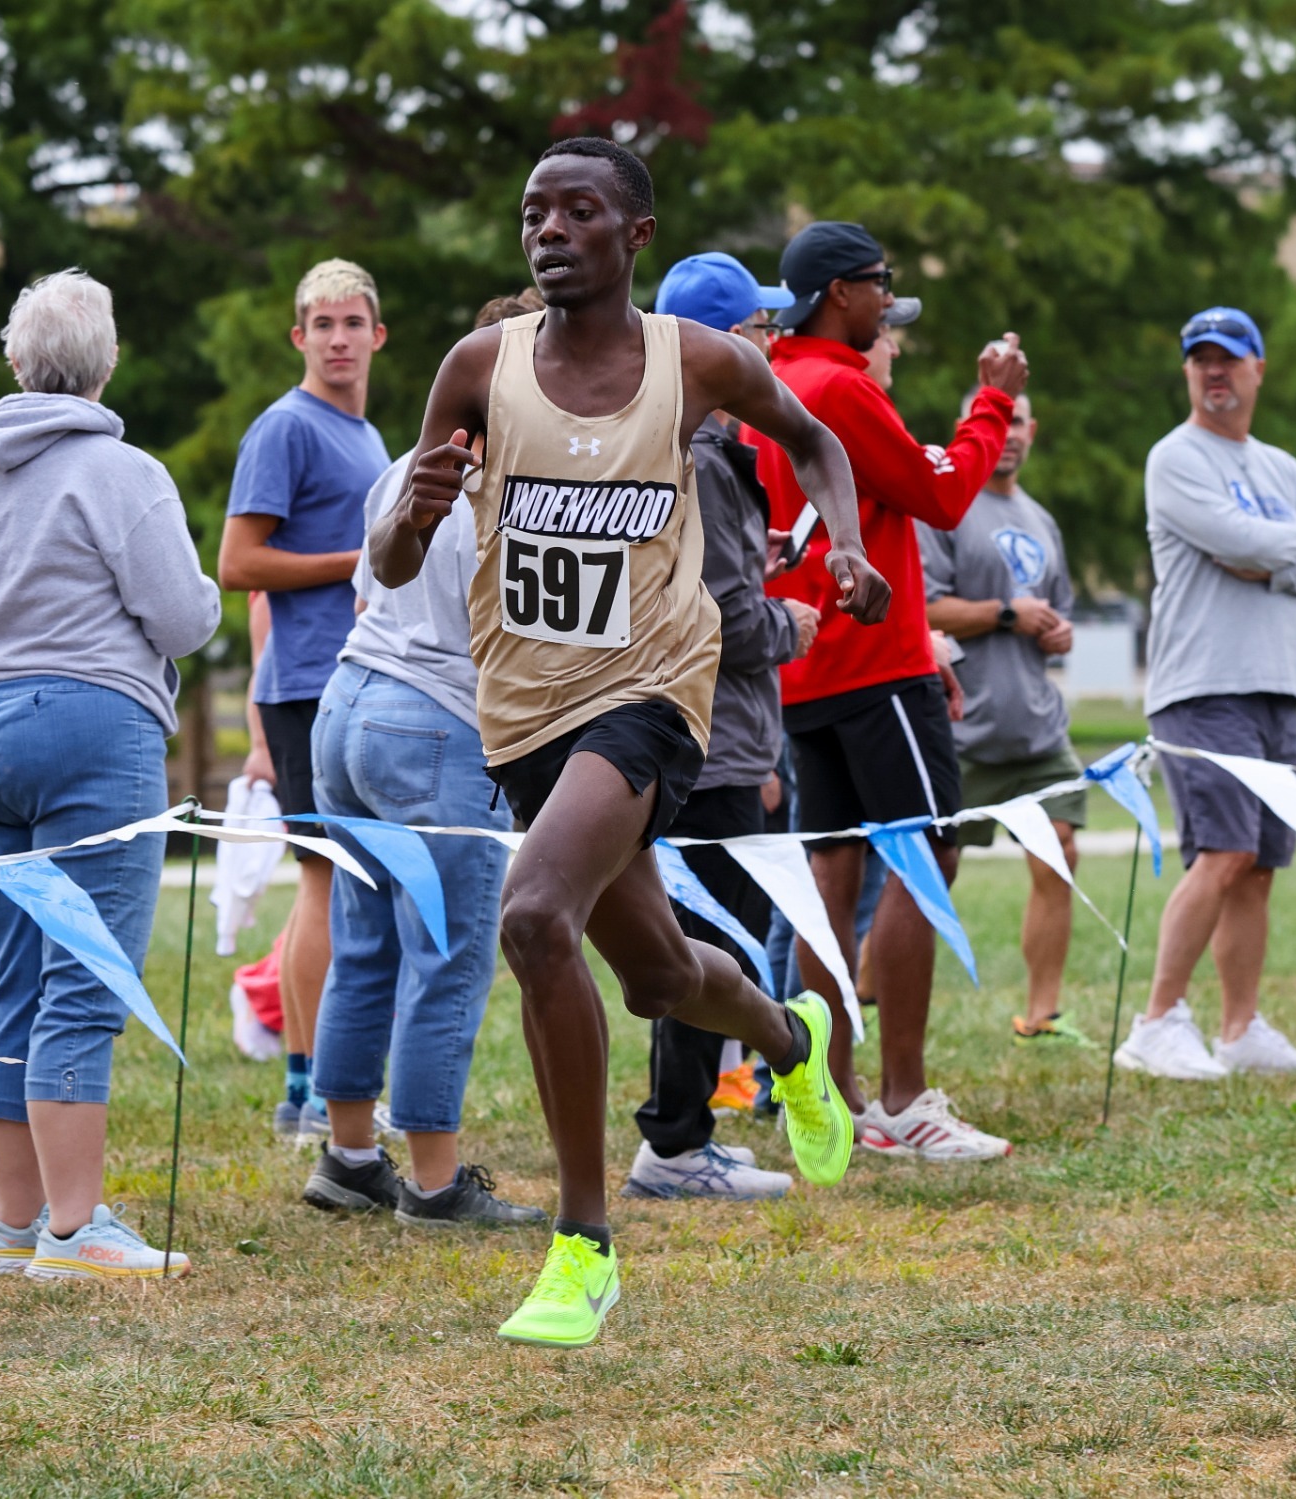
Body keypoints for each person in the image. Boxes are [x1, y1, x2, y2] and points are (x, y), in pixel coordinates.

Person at [369, 138, 886, 1348]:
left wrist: (843, 544)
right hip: (523, 710)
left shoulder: (693, 360)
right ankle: (788, 1035)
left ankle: (583, 1245)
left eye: (578, 210)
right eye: (533, 212)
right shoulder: (474, 367)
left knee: (534, 913)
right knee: (654, 973)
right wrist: (412, 515)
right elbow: (393, 567)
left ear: (633, 235)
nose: (548, 230)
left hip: (652, 692)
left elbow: (813, 442)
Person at [0, 270, 222, 1278]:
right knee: (85, 974)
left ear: (14, 363)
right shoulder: (123, 473)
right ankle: (75, 1227)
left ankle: (12, 1225)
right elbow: (184, 618)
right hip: (94, 726)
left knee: (18, 971)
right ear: (106, 365)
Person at [750, 220, 1028, 1161]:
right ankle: (905, 1098)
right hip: (876, 665)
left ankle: (832, 1095)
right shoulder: (839, 385)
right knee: (922, 859)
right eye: (880, 288)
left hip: (802, 668)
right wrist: (991, 405)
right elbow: (941, 492)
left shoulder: (767, 387)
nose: (887, 307)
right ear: (839, 295)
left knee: (832, 876)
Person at [298, 291, 547, 1229]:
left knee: (365, 941)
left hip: (346, 705)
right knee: (447, 953)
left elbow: (372, 593)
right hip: (436, 720)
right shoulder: (519, 483)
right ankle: (437, 1186)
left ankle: (351, 1156)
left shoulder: (406, 465)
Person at [620, 252, 823, 1202]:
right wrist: (795, 621)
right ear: (719, 343)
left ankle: (682, 1130)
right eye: (759, 328)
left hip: (712, 733)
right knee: (715, 948)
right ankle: (675, 1142)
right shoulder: (701, 457)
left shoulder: (697, 449)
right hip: (706, 738)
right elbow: (730, 621)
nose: (773, 344)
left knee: (705, 941)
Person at [1116, 306, 1296, 1081]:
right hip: (1203, 682)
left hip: (1278, 684)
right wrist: (1279, 554)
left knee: (1259, 865)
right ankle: (1156, 1021)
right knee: (1224, 850)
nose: (1214, 371)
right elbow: (1240, 541)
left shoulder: (1281, 468)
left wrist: (1269, 559)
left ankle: (1240, 1028)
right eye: (1199, 359)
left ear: (1258, 368)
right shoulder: (1173, 458)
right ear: (1187, 372)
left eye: (1229, 358)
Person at [218, 260, 391, 1140]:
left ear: (377, 335)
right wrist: (354, 561)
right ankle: (318, 1090)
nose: (336, 338)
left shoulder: (367, 437)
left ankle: (309, 1085)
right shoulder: (284, 429)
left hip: (362, 679)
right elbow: (239, 565)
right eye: (320, 324)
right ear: (299, 337)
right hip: (306, 689)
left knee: (345, 885)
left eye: (351, 322)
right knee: (327, 882)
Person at [919, 390, 1090, 1043]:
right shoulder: (944, 506)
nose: (1011, 434)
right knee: (933, 868)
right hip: (962, 727)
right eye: (1000, 421)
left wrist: (1056, 631)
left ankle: (1042, 1014)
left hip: (1037, 727)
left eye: (1020, 422)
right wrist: (1007, 614)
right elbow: (922, 607)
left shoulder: (1042, 520)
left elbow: (1055, 605)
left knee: (1059, 850)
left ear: (1032, 430)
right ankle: (872, 992)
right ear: (974, 427)